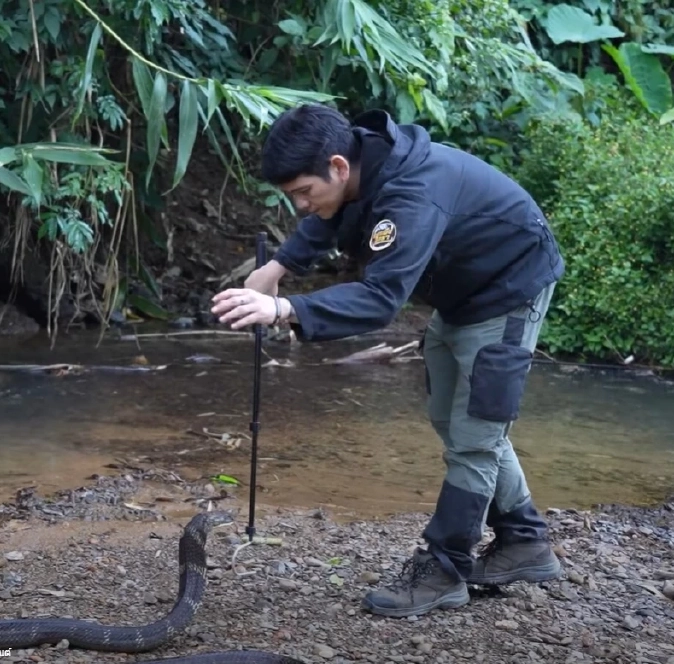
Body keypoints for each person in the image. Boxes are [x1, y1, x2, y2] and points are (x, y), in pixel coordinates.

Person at [210, 103, 565, 617]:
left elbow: (380, 299)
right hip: (460, 294)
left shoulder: (413, 191)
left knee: (476, 437)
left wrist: (286, 308)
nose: (302, 206)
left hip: (510, 288)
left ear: (336, 165)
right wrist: (280, 266)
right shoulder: (361, 167)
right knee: (450, 418)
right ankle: (525, 542)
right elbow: (330, 213)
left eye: (303, 192)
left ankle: (443, 570)